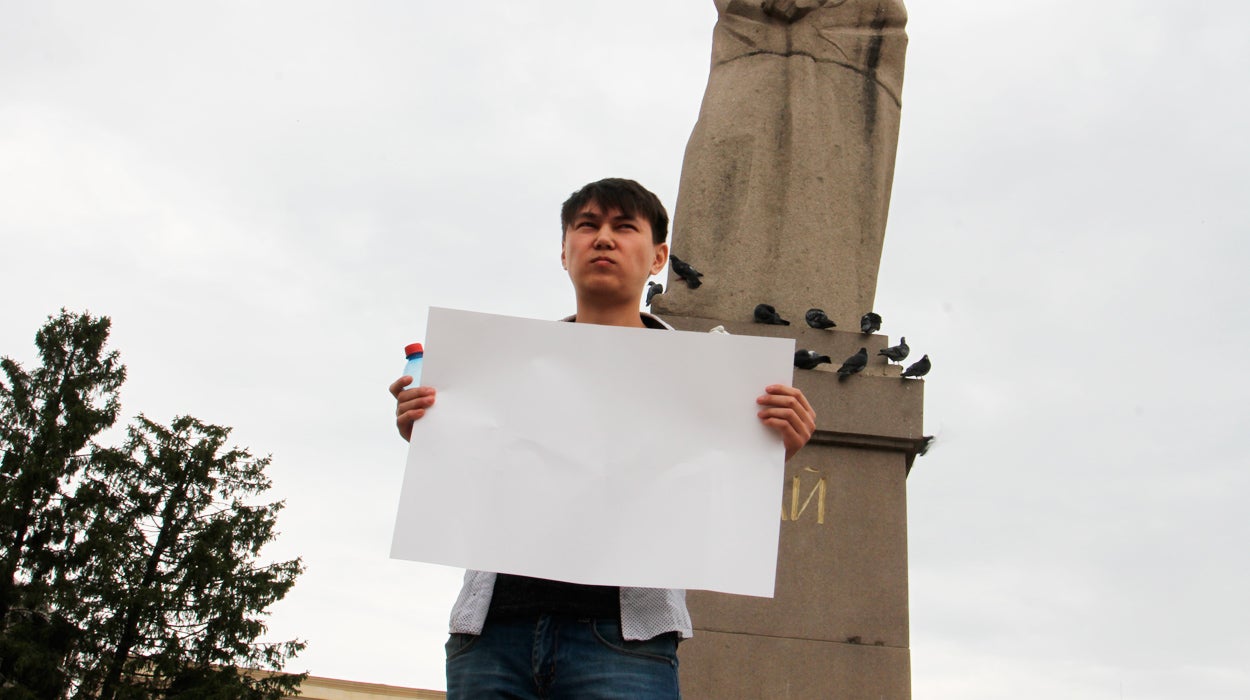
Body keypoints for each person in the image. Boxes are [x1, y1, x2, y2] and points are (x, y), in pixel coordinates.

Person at [389, 178, 816, 699]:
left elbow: (712, 505)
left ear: (659, 257)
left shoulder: (713, 386)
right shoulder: (496, 372)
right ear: (564, 253)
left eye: (623, 227)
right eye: (587, 226)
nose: (603, 238)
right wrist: (430, 433)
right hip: (492, 634)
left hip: (623, 643)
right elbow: (475, 484)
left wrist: (768, 453)